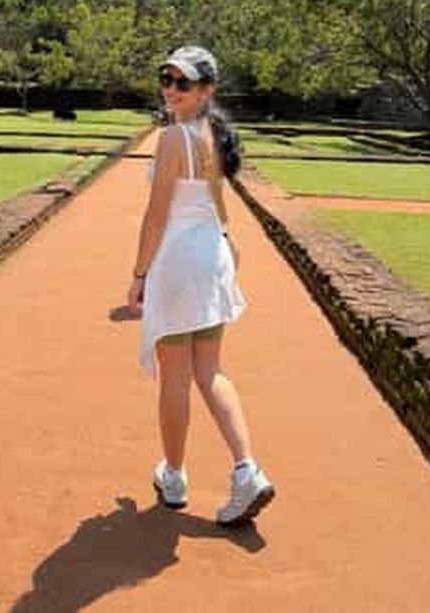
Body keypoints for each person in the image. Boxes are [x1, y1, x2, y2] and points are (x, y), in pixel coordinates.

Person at [127, 45, 275, 526]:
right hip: (209, 256)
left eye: (182, 83)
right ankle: (246, 469)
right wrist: (228, 243)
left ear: (206, 90)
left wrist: (138, 276)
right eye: (165, 80)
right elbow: (216, 202)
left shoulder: (173, 139)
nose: (170, 90)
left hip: (177, 260)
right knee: (209, 369)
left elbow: (155, 218)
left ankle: (173, 476)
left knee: (175, 376)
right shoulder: (212, 133)